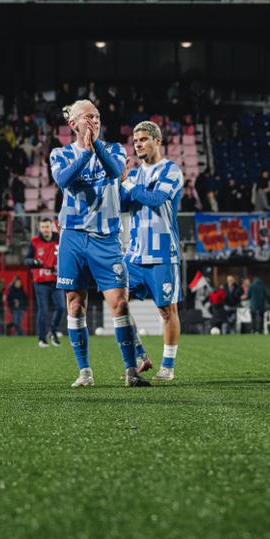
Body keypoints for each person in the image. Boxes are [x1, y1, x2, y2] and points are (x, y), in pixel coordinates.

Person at [50, 98, 149, 387]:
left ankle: (131, 371)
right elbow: (64, 181)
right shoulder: (61, 153)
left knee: (119, 304)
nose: (93, 121)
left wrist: (96, 147)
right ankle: (85, 372)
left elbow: (115, 172)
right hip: (73, 236)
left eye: (96, 116)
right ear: (73, 124)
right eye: (87, 117)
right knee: (75, 304)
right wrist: (85, 152)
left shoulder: (115, 149)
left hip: (106, 239)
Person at [119, 121, 184, 381]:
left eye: (144, 139)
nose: (138, 145)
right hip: (134, 254)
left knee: (167, 311)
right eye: (136, 142)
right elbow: (122, 203)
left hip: (162, 254)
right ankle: (140, 355)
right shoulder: (132, 175)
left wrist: (127, 185)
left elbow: (156, 199)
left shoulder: (171, 170)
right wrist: (119, 181)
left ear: (158, 140)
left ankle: (167, 367)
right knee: (116, 299)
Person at [26, 218, 62, 347]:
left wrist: (61, 266)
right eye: (43, 227)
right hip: (40, 282)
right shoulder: (35, 241)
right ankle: (41, 339)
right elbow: (27, 260)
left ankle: (52, 330)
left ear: (52, 227)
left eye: (47, 226)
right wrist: (36, 263)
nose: (45, 229)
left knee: (61, 307)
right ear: (40, 228)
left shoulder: (59, 238)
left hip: (57, 280)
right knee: (43, 310)